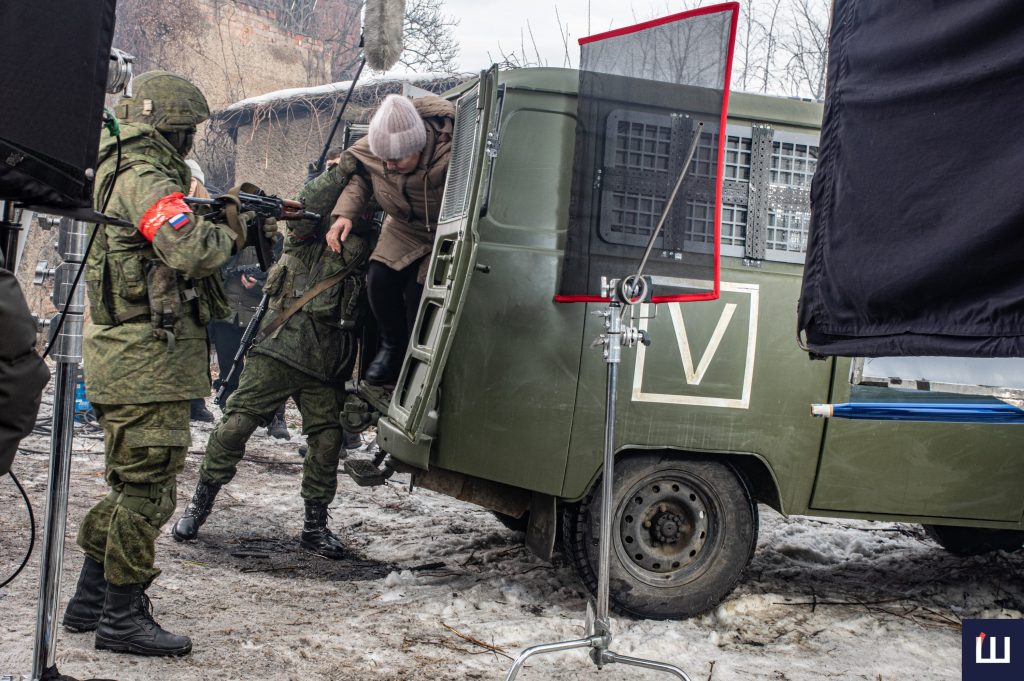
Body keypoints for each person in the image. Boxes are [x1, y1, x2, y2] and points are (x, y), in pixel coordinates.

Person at [61, 71, 276, 657]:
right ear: (173, 129)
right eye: (189, 131)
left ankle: (90, 601)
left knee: (129, 486)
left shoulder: (121, 167)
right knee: (149, 492)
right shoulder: (144, 175)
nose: (190, 142)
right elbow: (193, 250)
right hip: (145, 363)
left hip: (131, 359)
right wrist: (232, 229)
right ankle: (122, 618)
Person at [172, 153, 373, 558]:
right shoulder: (309, 226)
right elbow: (307, 204)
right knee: (234, 427)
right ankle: (199, 505)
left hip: (326, 361)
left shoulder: (370, 241)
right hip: (278, 348)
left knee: (327, 443)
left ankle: (315, 527)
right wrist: (344, 168)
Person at [327, 93, 455, 386]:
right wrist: (345, 214)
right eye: (385, 160)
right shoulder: (379, 152)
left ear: (418, 146)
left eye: (397, 159)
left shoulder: (451, 151)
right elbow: (362, 178)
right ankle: (391, 348)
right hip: (404, 227)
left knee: (418, 293)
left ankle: (416, 366)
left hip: (445, 228)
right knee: (379, 277)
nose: (390, 166)